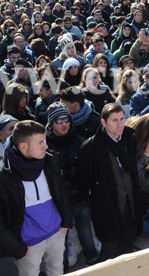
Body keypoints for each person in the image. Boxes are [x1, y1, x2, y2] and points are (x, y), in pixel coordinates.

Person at [0, 120, 73, 276]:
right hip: (27, 245)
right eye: (40, 142)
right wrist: (19, 249)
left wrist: (65, 224)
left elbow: (62, 192)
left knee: (57, 272)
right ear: (23, 146)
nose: (46, 145)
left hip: (57, 234)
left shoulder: (50, 160)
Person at [77, 103, 142, 261]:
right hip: (107, 207)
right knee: (110, 249)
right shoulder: (90, 148)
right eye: (115, 120)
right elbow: (84, 183)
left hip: (131, 202)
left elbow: (132, 169)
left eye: (122, 119)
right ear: (103, 123)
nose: (120, 124)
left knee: (129, 243)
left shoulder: (130, 137)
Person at [44, 102, 99, 268]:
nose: (64, 124)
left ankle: (93, 261)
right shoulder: (44, 146)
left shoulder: (80, 142)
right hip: (57, 203)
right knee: (62, 240)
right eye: (59, 120)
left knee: (85, 231)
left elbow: (88, 171)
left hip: (80, 198)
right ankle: (64, 269)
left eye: (66, 119)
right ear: (51, 123)